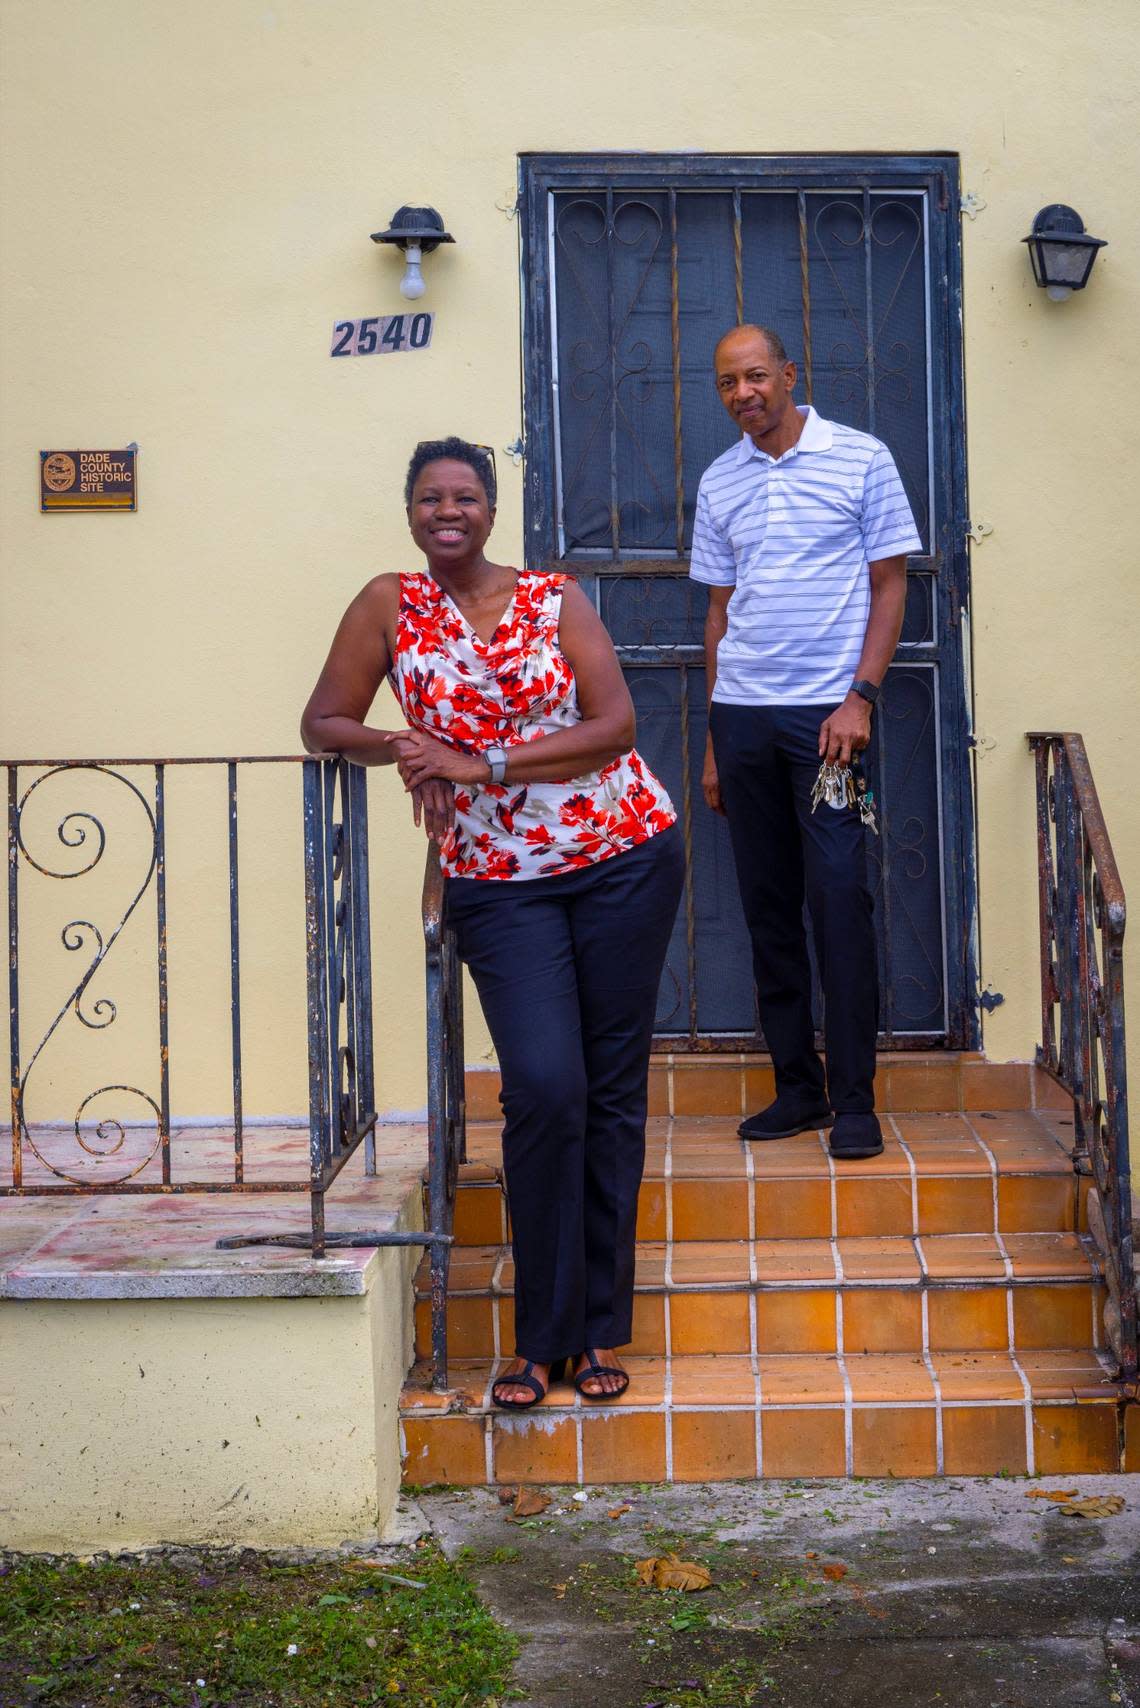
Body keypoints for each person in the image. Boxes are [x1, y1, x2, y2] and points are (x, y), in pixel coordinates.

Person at [302, 436, 683, 1408]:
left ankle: (592, 1335)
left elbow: (616, 726)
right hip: (497, 879)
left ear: (491, 507)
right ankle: (536, 1338)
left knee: (607, 1094)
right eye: (431, 497)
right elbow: (324, 722)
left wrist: (485, 766)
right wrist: (410, 746)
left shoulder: (555, 598)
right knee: (545, 1088)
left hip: (621, 857)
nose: (448, 511)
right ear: (411, 511)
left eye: (465, 496)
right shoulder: (390, 603)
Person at [691, 325, 922, 1160]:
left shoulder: (861, 458)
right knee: (768, 906)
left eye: (755, 376)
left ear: (790, 374)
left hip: (831, 726)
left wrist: (861, 697)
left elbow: (890, 584)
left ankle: (856, 1100)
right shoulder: (720, 481)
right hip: (745, 720)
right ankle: (800, 1090)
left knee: (837, 896)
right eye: (726, 382)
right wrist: (718, 740)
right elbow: (719, 613)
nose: (743, 393)